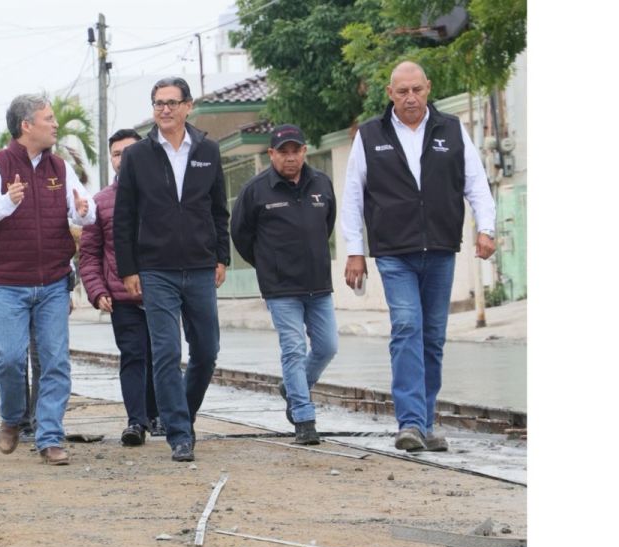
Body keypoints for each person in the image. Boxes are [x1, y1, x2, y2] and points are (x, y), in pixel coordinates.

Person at [341, 61, 496, 453]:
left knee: (433, 339)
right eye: (402, 91)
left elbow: (476, 183)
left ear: (428, 88)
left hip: (441, 250)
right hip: (394, 253)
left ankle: (425, 424)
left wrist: (486, 228)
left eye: (417, 90)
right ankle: (409, 423)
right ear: (390, 93)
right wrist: (355, 251)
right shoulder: (370, 136)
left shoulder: (452, 130)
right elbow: (353, 197)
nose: (410, 97)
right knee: (408, 326)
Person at [0, 93, 95, 465]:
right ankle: (12, 417)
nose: (55, 124)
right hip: (8, 282)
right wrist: (8, 201)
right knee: (9, 359)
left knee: (55, 361)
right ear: (27, 126)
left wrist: (85, 211)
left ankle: (50, 437)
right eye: (48, 118)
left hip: (54, 280)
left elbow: (81, 210)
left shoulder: (59, 166)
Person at [113, 77, 231, 462]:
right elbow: (124, 217)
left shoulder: (208, 151)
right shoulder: (137, 156)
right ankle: (179, 434)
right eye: (158, 103)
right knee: (165, 352)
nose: (164, 109)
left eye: (171, 102)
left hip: (199, 266)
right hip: (155, 268)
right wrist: (129, 269)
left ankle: (181, 412)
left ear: (187, 106)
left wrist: (221, 257)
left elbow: (219, 210)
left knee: (207, 351)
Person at [232, 124, 338, 445]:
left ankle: (293, 387)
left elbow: (327, 224)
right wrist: (268, 265)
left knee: (327, 346)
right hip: (280, 288)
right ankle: (304, 418)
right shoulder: (255, 190)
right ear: (271, 154)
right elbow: (241, 235)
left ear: (305, 152)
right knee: (293, 349)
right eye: (283, 152)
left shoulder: (322, 183)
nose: (290, 157)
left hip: (318, 284)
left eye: (296, 151)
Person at [80, 128, 160, 447]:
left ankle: (159, 415)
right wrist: (97, 290)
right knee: (133, 354)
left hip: (161, 293)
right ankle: (136, 421)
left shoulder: (163, 194)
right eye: (116, 153)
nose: (123, 159)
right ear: (111, 159)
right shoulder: (100, 203)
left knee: (162, 356)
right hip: (121, 297)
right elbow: (88, 253)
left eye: (130, 151)